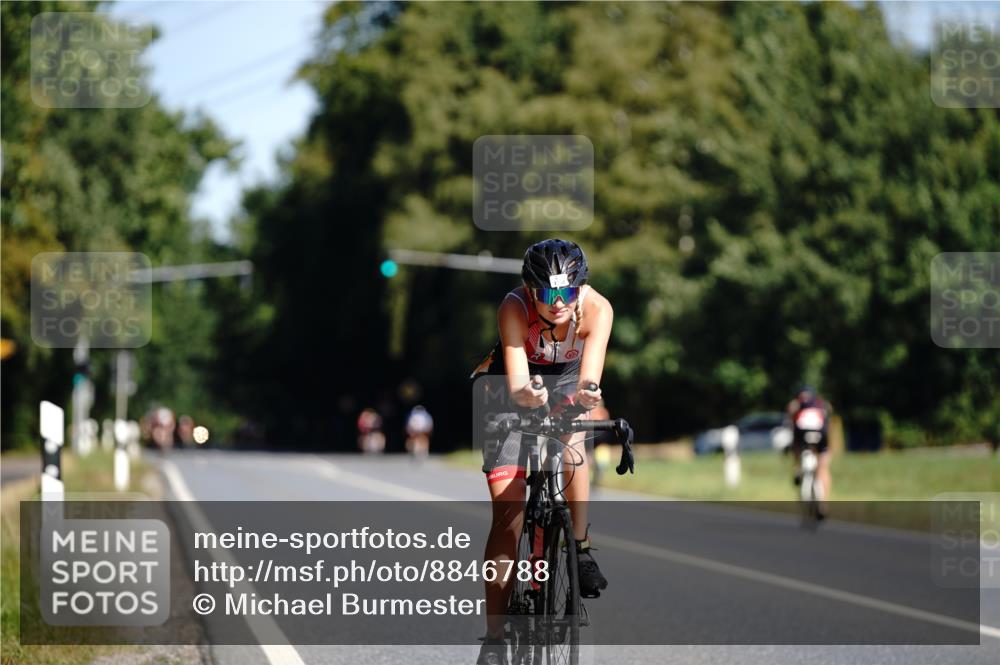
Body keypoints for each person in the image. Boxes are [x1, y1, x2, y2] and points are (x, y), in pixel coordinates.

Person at [471, 239, 614, 664]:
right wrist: (527, 397)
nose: (558, 303)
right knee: (509, 513)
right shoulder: (513, 307)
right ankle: (495, 638)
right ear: (531, 291)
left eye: (567, 293)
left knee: (574, 443)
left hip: (565, 380)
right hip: (507, 387)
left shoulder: (597, 310)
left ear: (579, 289)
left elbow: (589, 379)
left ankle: (580, 546)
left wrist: (585, 399)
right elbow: (517, 382)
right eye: (548, 295)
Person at [786, 385, 832, 513]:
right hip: (821, 436)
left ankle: (796, 469)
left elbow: (790, 419)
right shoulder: (822, 403)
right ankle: (824, 503)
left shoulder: (796, 404)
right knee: (823, 468)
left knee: (796, 447)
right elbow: (829, 416)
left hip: (801, 436)